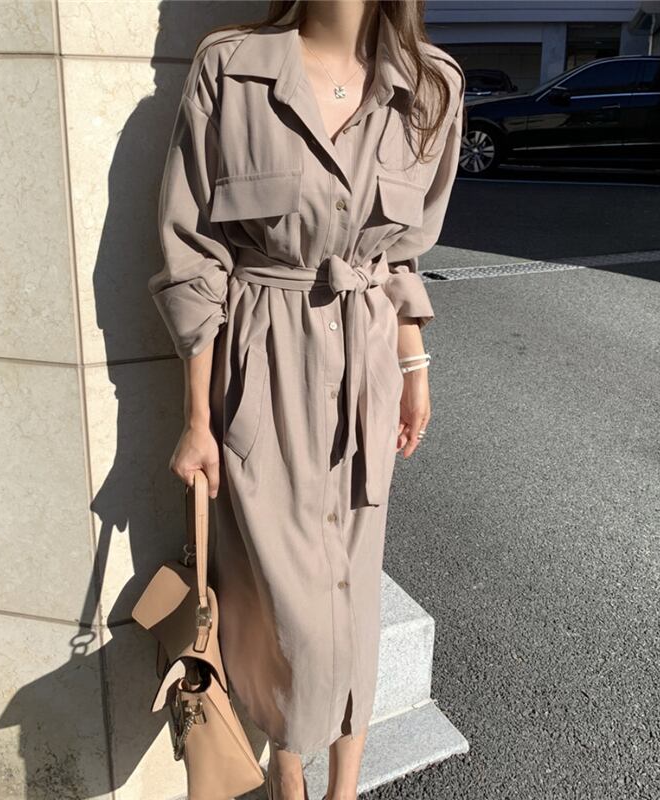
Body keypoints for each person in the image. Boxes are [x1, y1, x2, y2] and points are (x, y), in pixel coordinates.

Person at [147, 1, 464, 797]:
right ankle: (289, 782)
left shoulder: (431, 86)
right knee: (287, 613)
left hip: (367, 372)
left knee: (354, 594)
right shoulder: (232, 68)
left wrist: (416, 366)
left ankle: (343, 790)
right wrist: (197, 420)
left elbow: (400, 257)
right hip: (264, 367)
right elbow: (194, 257)